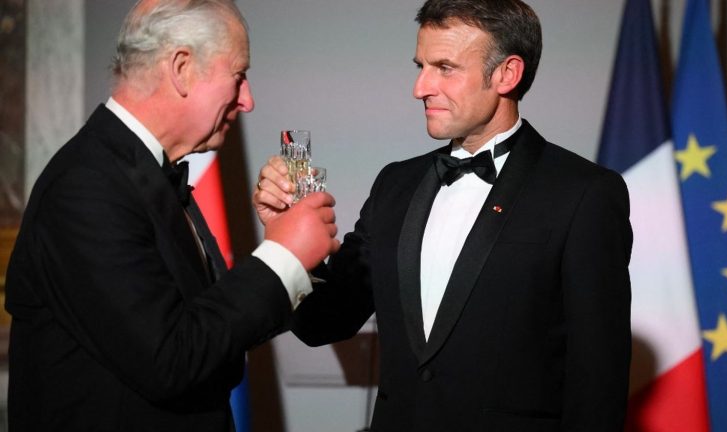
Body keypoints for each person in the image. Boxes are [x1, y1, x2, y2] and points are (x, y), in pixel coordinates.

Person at [255, 0, 632, 430]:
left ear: (507, 74)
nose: (420, 87)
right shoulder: (395, 185)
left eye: (445, 67)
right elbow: (323, 321)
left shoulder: (584, 193)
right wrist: (284, 240)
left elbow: (598, 382)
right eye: (421, 66)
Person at [4, 0, 339, 430]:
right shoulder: (86, 186)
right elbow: (171, 360)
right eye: (238, 76)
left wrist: (283, 243)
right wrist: (281, 256)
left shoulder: (144, 174)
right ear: (181, 68)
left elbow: (212, 332)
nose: (248, 100)